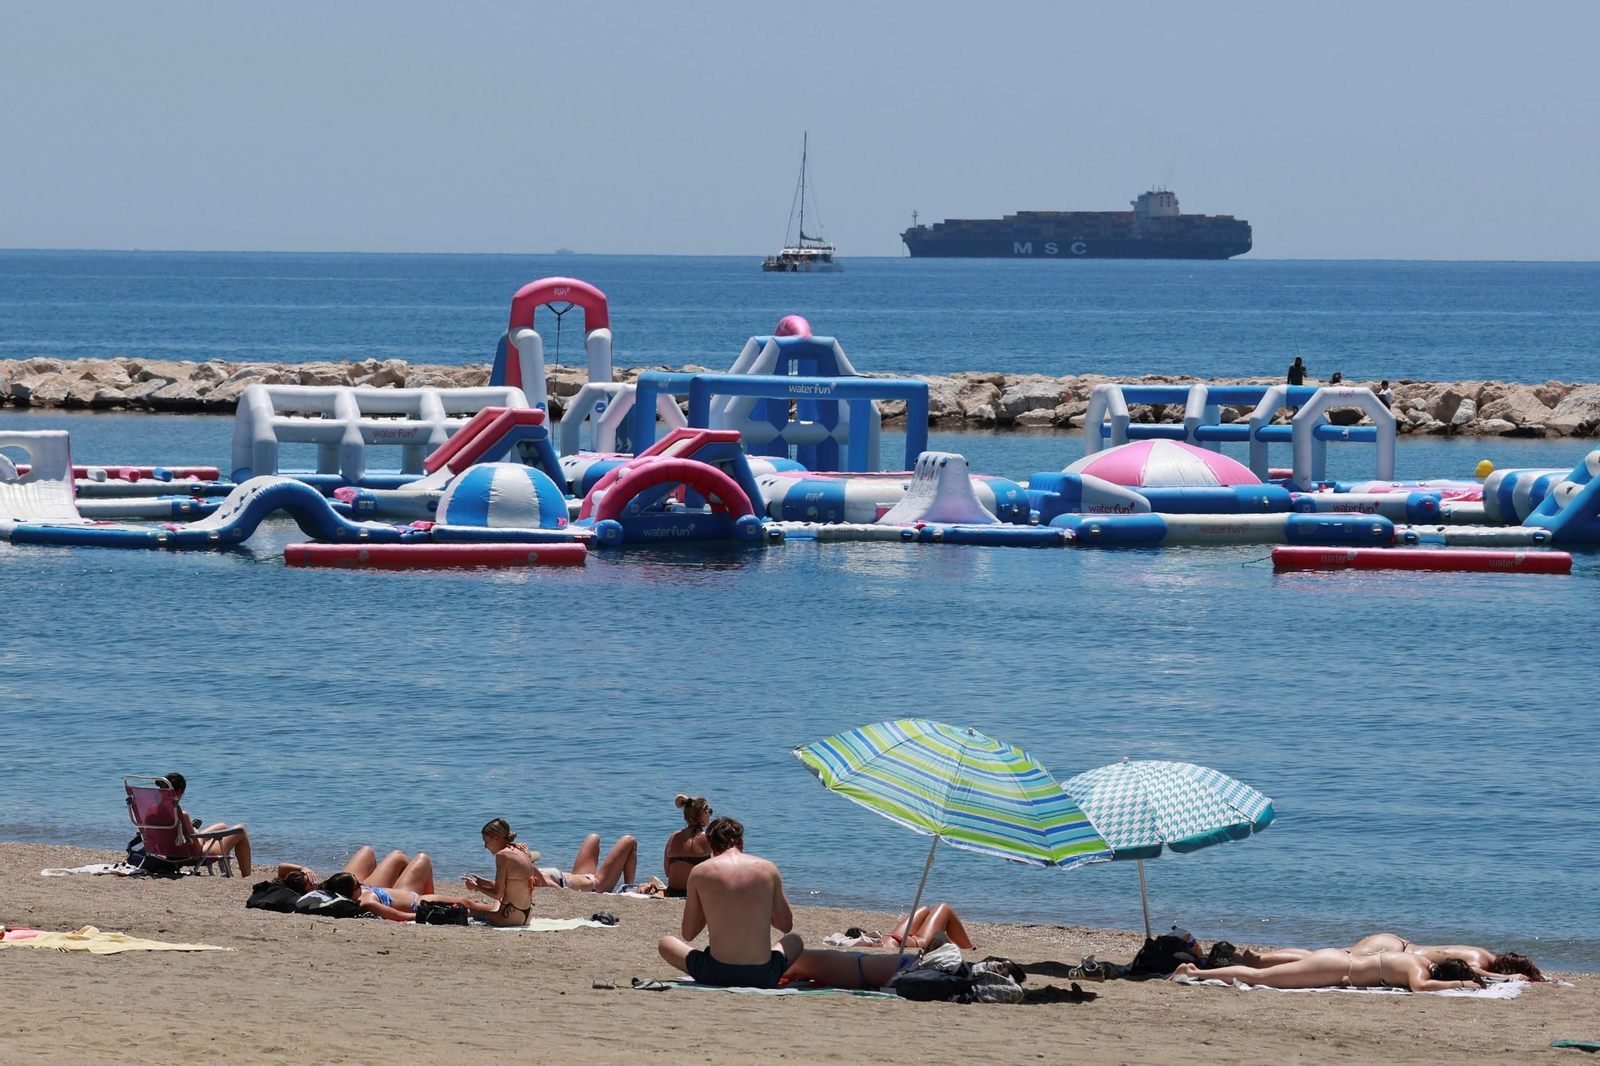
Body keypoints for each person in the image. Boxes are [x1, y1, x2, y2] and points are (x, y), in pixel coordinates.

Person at [657, 816, 802, 988]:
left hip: (716, 973)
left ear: (711, 845)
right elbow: (785, 925)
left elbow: (689, 934)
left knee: (665, 943)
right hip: (763, 976)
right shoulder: (768, 868)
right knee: (795, 940)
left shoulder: (700, 872)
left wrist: (708, 905)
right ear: (742, 841)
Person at [1239, 934, 1542, 981]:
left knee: (1329, 955)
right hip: (1395, 951)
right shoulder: (1485, 962)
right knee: (1323, 958)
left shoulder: (1484, 952)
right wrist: (1507, 979)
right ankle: (1261, 959)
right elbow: (1471, 971)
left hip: (1397, 942)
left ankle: (1261, 958)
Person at [1173, 949, 1487, 992]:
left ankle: (1194, 971)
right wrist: (1459, 984)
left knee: (1262, 976)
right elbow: (1419, 988)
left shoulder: (1419, 959)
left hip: (1337, 958)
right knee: (1257, 979)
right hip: (1334, 968)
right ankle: (1194, 973)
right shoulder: (1418, 972)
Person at [166, 772, 251, 876]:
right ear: (179, 792)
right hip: (190, 855)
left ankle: (227, 872)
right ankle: (247, 875)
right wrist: (195, 831)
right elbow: (198, 848)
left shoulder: (151, 812)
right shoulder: (182, 815)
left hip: (168, 853)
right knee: (241, 830)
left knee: (222, 826)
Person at [459, 818, 536, 926]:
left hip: (507, 917)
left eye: (486, 841)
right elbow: (512, 887)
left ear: (496, 838)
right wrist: (485, 883)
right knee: (489, 906)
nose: (485, 847)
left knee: (465, 912)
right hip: (525, 916)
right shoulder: (521, 851)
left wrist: (476, 887)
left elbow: (497, 894)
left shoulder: (503, 855)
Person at [275, 847, 434, 895]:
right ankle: (421, 899)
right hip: (357, 892)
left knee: (368, 851)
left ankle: (406, 892)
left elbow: (282, 868)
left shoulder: (293, 883)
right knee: (400, 857)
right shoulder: (307, 898)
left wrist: (303, 869)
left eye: (307, 877)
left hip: (345, 883)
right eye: (309, 884)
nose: (312, 880)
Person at [531, 832, 639, 894]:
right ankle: (629, 889)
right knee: (629, 841)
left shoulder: (533, 873)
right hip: (596, 886)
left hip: (578, 875)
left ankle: (629, 888)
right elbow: (562, 894)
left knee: (593, 837)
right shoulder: (541, 881)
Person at [849, 904, 975, 950]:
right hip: (916, 941)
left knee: (923, 909)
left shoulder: (849, 942)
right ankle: (968, 947)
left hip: (894, 937)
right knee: (944, 908)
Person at [663, 794, 713, 898]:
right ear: (703, 814)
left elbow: (667, 872)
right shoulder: (706, 838)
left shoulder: (673, 837)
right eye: (710, 812)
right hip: (696, 893)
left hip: (672, 892)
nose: (710, 815)